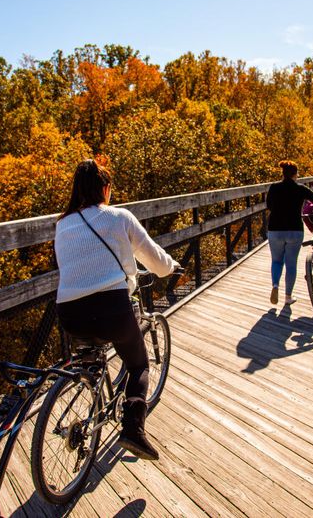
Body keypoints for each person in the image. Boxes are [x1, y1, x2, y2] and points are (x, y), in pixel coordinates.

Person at [54, 159, 179, 461]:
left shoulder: (61, 224)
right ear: (105, 189)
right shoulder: (118, 217)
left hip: (68, 312)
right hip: (111, 308)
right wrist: (170, 267)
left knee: (93, 353)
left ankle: (90, 388)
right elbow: (153, 257)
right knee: (139, 365)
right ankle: (133, 429)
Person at [266, 160, 313, 306]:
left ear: (283, 173)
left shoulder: (274, 188)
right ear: (296, 174)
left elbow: (269, 206)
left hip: (275, 229)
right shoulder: (300, 188)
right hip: (294, 229)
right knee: (291, 264)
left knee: (276, 261)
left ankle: (275, 286)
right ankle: (288, 297)